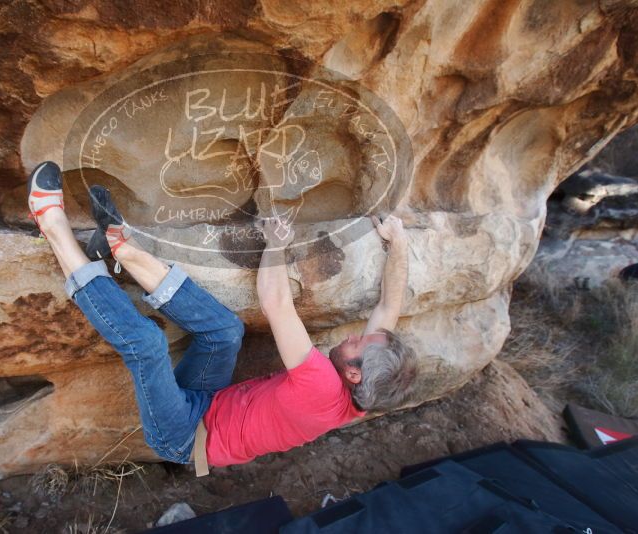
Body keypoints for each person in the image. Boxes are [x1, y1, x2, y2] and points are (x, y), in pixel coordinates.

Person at [27, 161, 417, 476]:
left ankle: (51, 223)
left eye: (358, 344)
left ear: (353, 374)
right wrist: (398, 243)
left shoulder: (321, 386)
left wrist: (276, 244)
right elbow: (387, 310)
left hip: (181, 436)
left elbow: (276, 300)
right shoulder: (366, 392)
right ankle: (123, 251)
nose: (353, 338)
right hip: (210, 402)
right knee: (226, 331)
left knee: (148, 343)